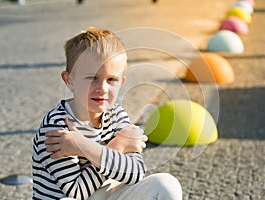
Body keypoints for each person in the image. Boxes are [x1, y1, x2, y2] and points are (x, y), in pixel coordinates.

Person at [32, 27, 182, 200]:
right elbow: (76, 192)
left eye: (111, 79)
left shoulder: (117, 115)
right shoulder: (57, 126)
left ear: (122, 81)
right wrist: (117, 146)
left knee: (166, 185)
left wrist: (83, 147)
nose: (102, 88)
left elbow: (135, 173)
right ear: (69, 80)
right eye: (92, 78)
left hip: (105, 195)